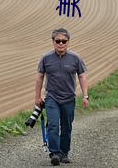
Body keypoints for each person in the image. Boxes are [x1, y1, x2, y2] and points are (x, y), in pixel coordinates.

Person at [35, 28, 89, 166]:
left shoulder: (75, 58)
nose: (61, 44)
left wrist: (85, 95)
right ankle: (54, 153)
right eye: (57, 41)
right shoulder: (46, 58)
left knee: (66, 126)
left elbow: (82, 76)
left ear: (68, 42)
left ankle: (64, 153)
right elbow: (40, 77)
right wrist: (37, 97)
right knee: (53, 124)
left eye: (63, 41)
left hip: (69, 98)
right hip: (51, 97)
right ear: (53, 42)